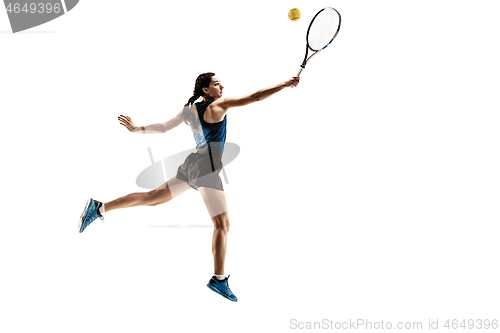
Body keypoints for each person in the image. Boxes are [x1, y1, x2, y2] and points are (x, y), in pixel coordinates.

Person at [78, 72, 300, 302]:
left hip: (193, 163)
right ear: (205, 90)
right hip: (207, 167)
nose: (221, 86)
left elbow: (163, 127)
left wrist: (136, 129)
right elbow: (255, 97)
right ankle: (219, 279)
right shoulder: (219, 106)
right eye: (216, 83)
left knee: (153, 197)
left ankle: (100, 207)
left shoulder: (189, 110)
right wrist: (285, 84)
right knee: (222, 224)